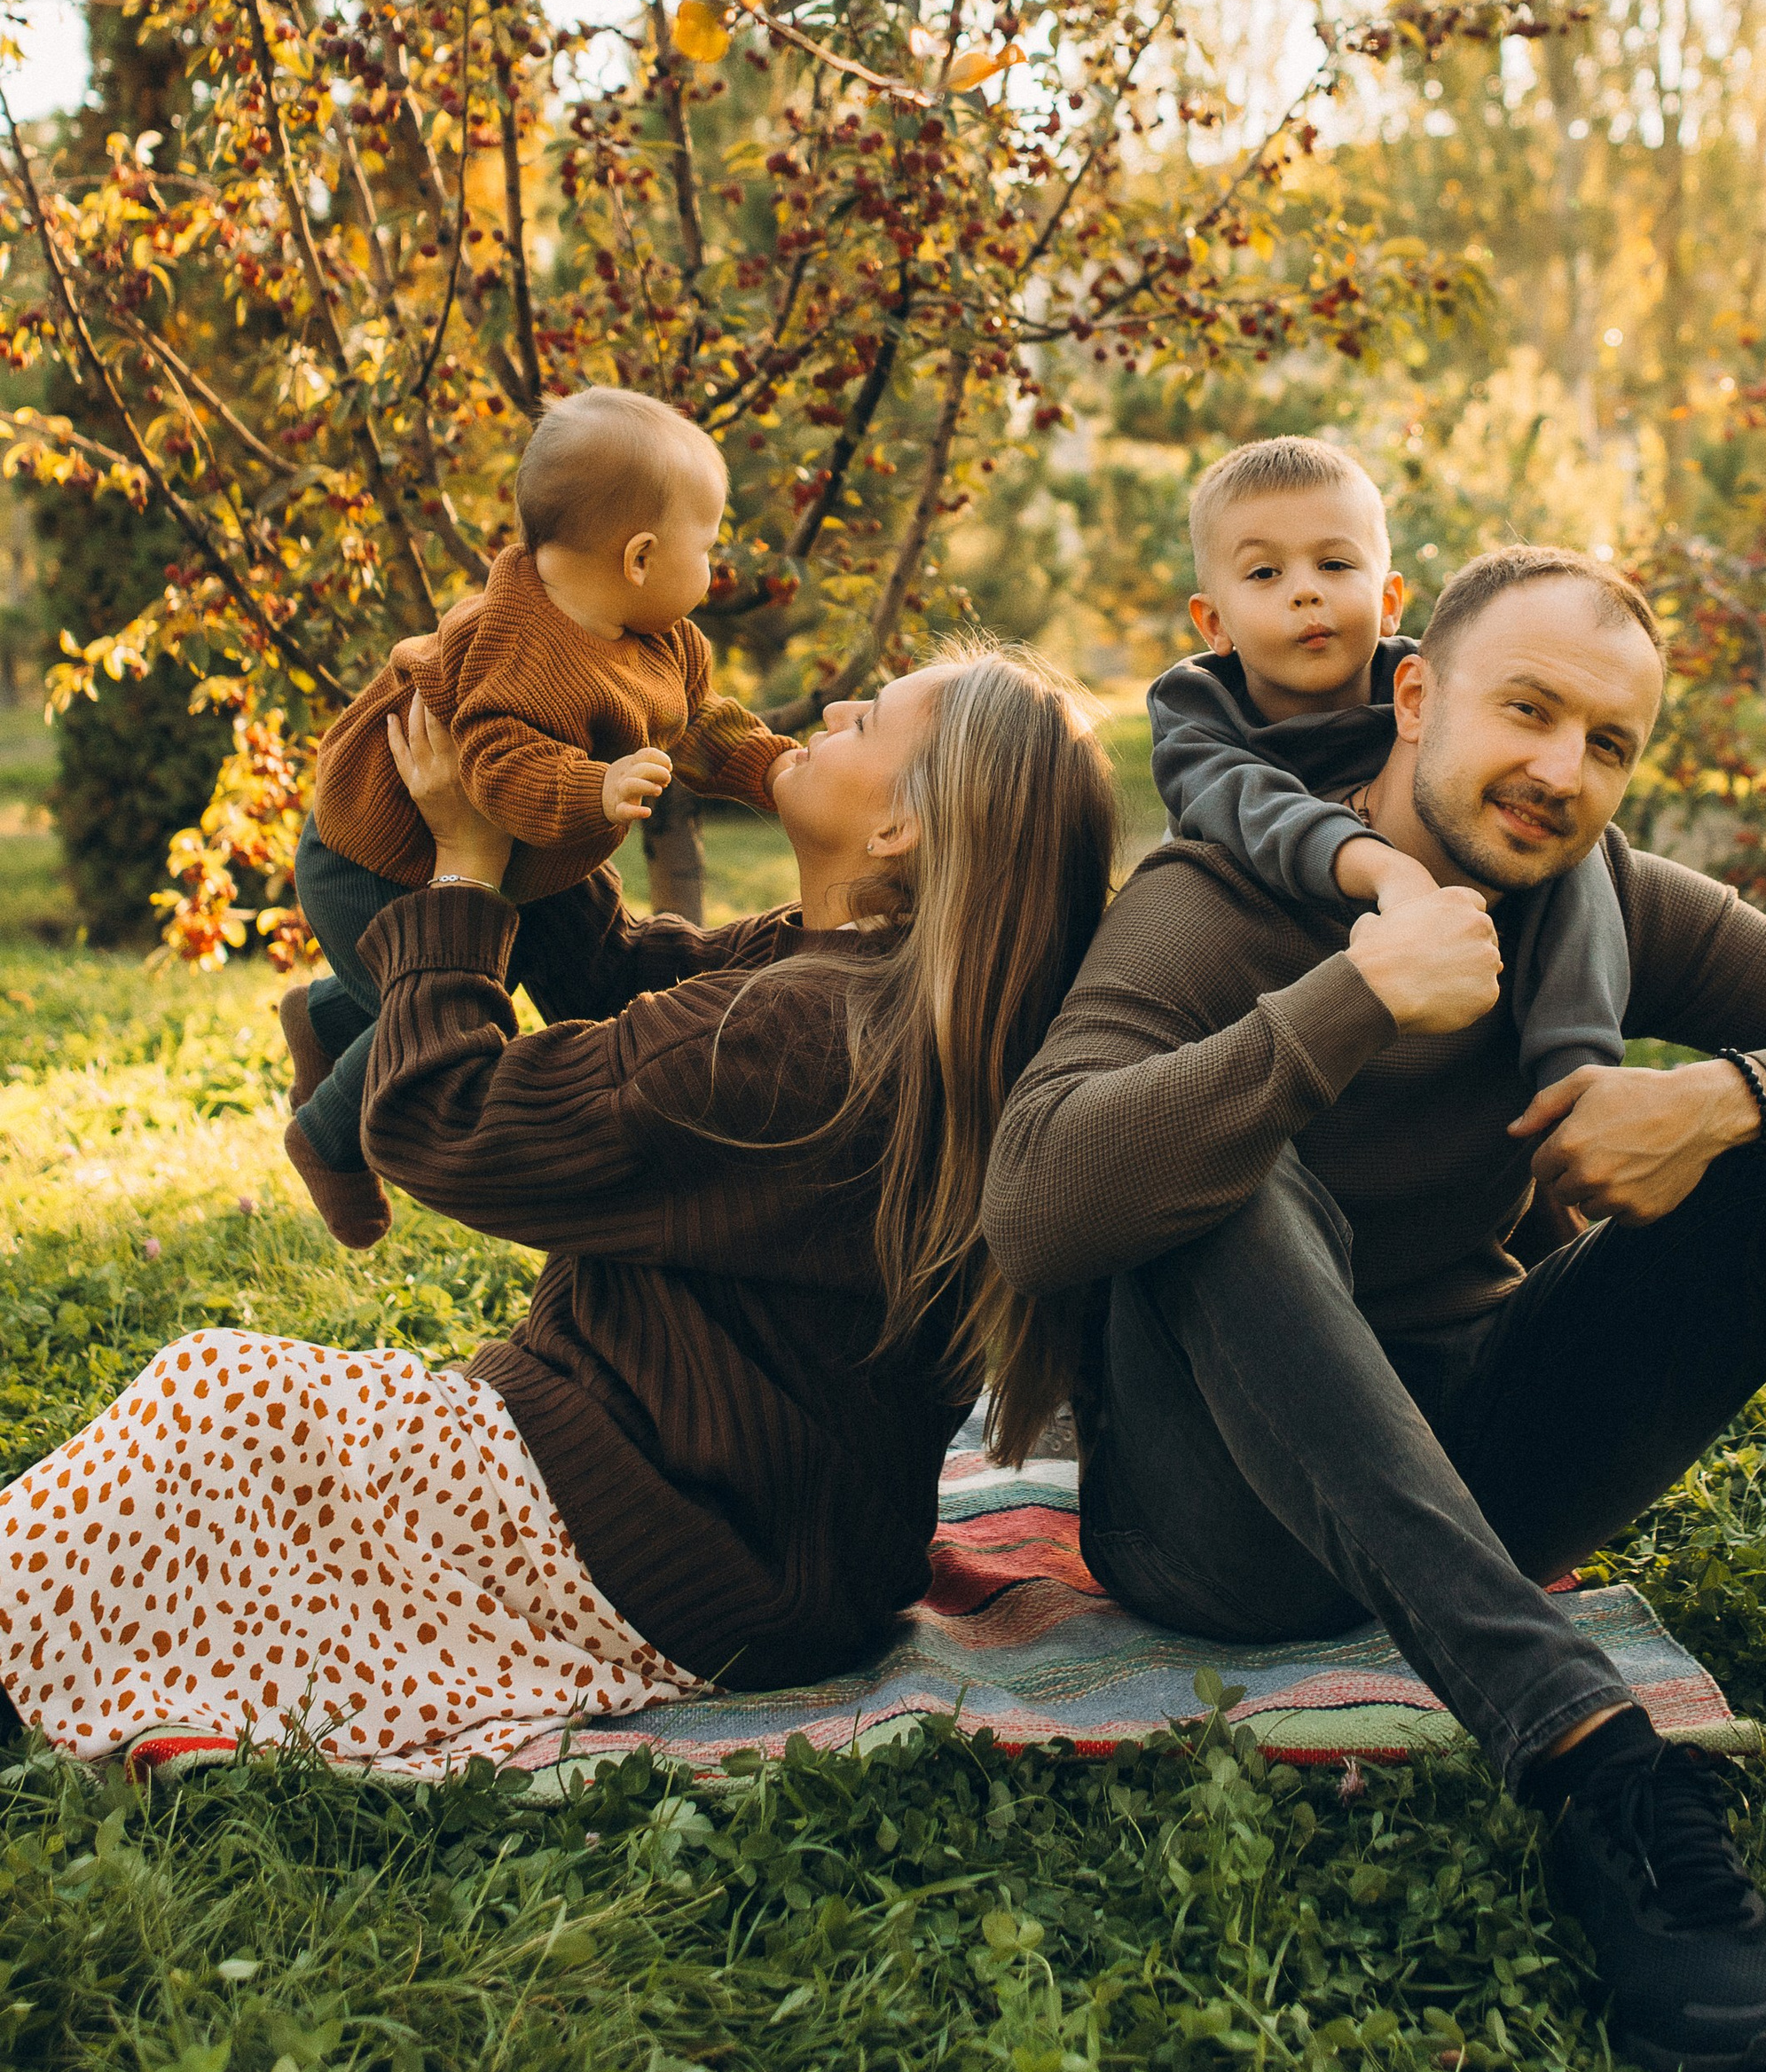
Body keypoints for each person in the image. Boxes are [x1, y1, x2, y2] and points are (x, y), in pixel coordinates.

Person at [981, 544, 1766, 2072]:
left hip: (1480, 1457)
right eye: (1529, 710)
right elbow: (1036, 1199)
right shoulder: (1213, 896)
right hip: (1224, 1527)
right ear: (1415, 698)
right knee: (1216, 1163)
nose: (1562, 772)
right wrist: (1351, 999)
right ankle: (1589, 1759)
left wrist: (1721, 1099)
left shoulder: (1595, 895)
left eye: (1609, 742)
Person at [0, 640, 1116, 1781]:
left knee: (227, 1404)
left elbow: (446, 1121)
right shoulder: (864, 983)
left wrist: (464, 877)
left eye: (867, 720)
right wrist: (535, 769)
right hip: (756, 1534)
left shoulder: (798, 1039)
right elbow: (619, 977)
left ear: (897, 830)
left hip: (674, 1541)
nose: (831, 707)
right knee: (243, 1465)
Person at [283, 387, 795, 1248]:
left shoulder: (660, 635)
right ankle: (327, 1137)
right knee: (429, 1016)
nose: (715, 569)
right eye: (707, 547)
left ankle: (325, 1019)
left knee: (504, 970)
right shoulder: (517, 645)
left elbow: (699, 722)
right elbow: (497, 764)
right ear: (640, 557)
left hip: (503, 856)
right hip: (376, 855)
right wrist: (594, 788)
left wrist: (774, 770)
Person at [1148, 435, 1628, 1111]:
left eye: (1335, 564)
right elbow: (1250, 807)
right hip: (1242, 967)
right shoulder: (1194, 711)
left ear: (1390, 599)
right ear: (1214, 623)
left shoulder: (1428, 688)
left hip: (1419, 986)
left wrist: (1578, 1063)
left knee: (1553, 818)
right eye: (1265, 574)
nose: (1306, 592)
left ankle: (1576, 1069)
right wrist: (1384, 868)